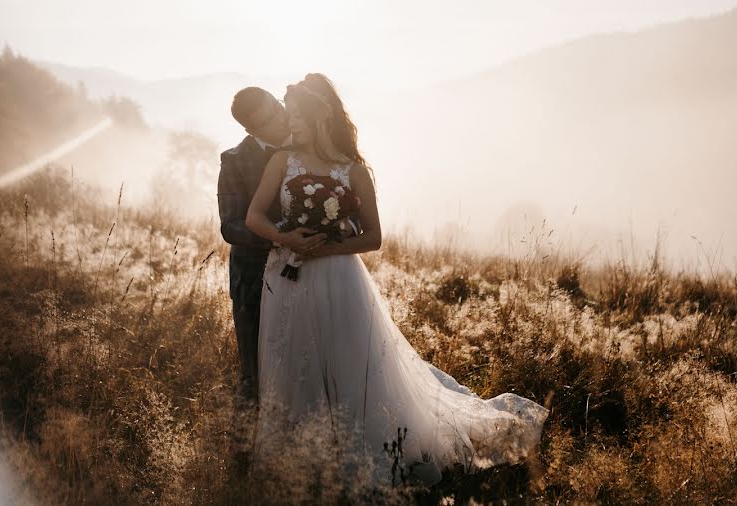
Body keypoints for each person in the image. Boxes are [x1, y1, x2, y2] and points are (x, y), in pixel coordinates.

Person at [245, 73, 548, 485]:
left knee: (350, 364)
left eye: (297, 117)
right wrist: (287, 238)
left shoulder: (353, 172)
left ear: (319, 118)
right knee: (293, 364)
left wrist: (326, 247)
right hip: (288, 277)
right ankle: (294, 464)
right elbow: (254, 217)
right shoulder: (282, 160)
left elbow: (374, 237)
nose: (290, 124)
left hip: (339, 278)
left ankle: (355, 456)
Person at [217, 87, 324, 402]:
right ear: (252, 130)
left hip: (313, 269)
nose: (282, 120)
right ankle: (252, 440)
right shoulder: (234, 161)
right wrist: (280, 238)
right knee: (258, 370)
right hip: (255, 277)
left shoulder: (311, 143)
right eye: (269, 120)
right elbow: (230, 225)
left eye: (278, 109)